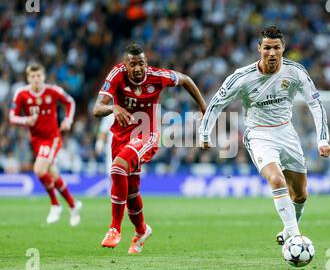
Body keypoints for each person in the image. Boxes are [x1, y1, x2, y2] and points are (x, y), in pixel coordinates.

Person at [199, 26, 330, 244]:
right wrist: (204, 132)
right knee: (276, 179)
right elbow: (216, 103)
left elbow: (315, 104)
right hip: (259, 135)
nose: (272, 53)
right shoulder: (242, 77)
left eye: (276, 48)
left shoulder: (295, 72)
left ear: (283, 49)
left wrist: (323, 139)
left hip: (286, 132)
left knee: (300, 195)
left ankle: (288, 231)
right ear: (259, 48)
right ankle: (296, 239)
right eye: (267, 48)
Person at [93, 43, 207, 254]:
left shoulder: (157, 76)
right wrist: (113, 107)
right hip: (120, 136)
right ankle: (141, 230)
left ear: (147, 63)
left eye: (142, 63)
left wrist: (203, 107)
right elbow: (97, 108)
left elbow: (186, 80)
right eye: (133, 64)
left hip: (146, 133)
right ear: (125, 65)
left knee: (117, 168)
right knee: (131, 191)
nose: (138, 68)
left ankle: (114, 229)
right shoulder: (117, 74)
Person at [9, 63, 82, 226]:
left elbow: (70, 102)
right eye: (32, 76)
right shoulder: (21, 94)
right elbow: (12, 117)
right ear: (28, 78)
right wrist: (26, 120)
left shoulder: (53, 91)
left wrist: (68, 120)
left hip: (52, 137)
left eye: (39, 76)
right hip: (36, 139)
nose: (36, 79)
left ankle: (55, 204)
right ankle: (73, 205)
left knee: (39, 169)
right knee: (53, 174)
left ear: (43, 77)